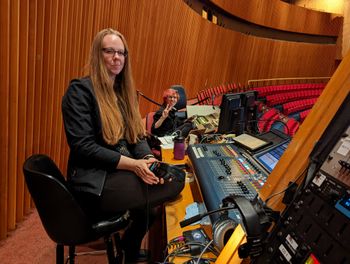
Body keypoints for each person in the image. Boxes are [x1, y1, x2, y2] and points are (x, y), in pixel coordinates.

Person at [61, 28, 184, 263]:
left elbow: (136, 137)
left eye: (121, 52)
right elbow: (83, 147)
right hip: (93, 181)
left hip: (119, 170)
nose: (117, 57)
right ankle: (128, 246)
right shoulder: (79, 91)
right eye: (110, 51)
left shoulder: (122, 91)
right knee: (169, 187)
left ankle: (128, 246)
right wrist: (134, 166)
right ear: (98, 54)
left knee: (168, 183)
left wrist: (147, 159)